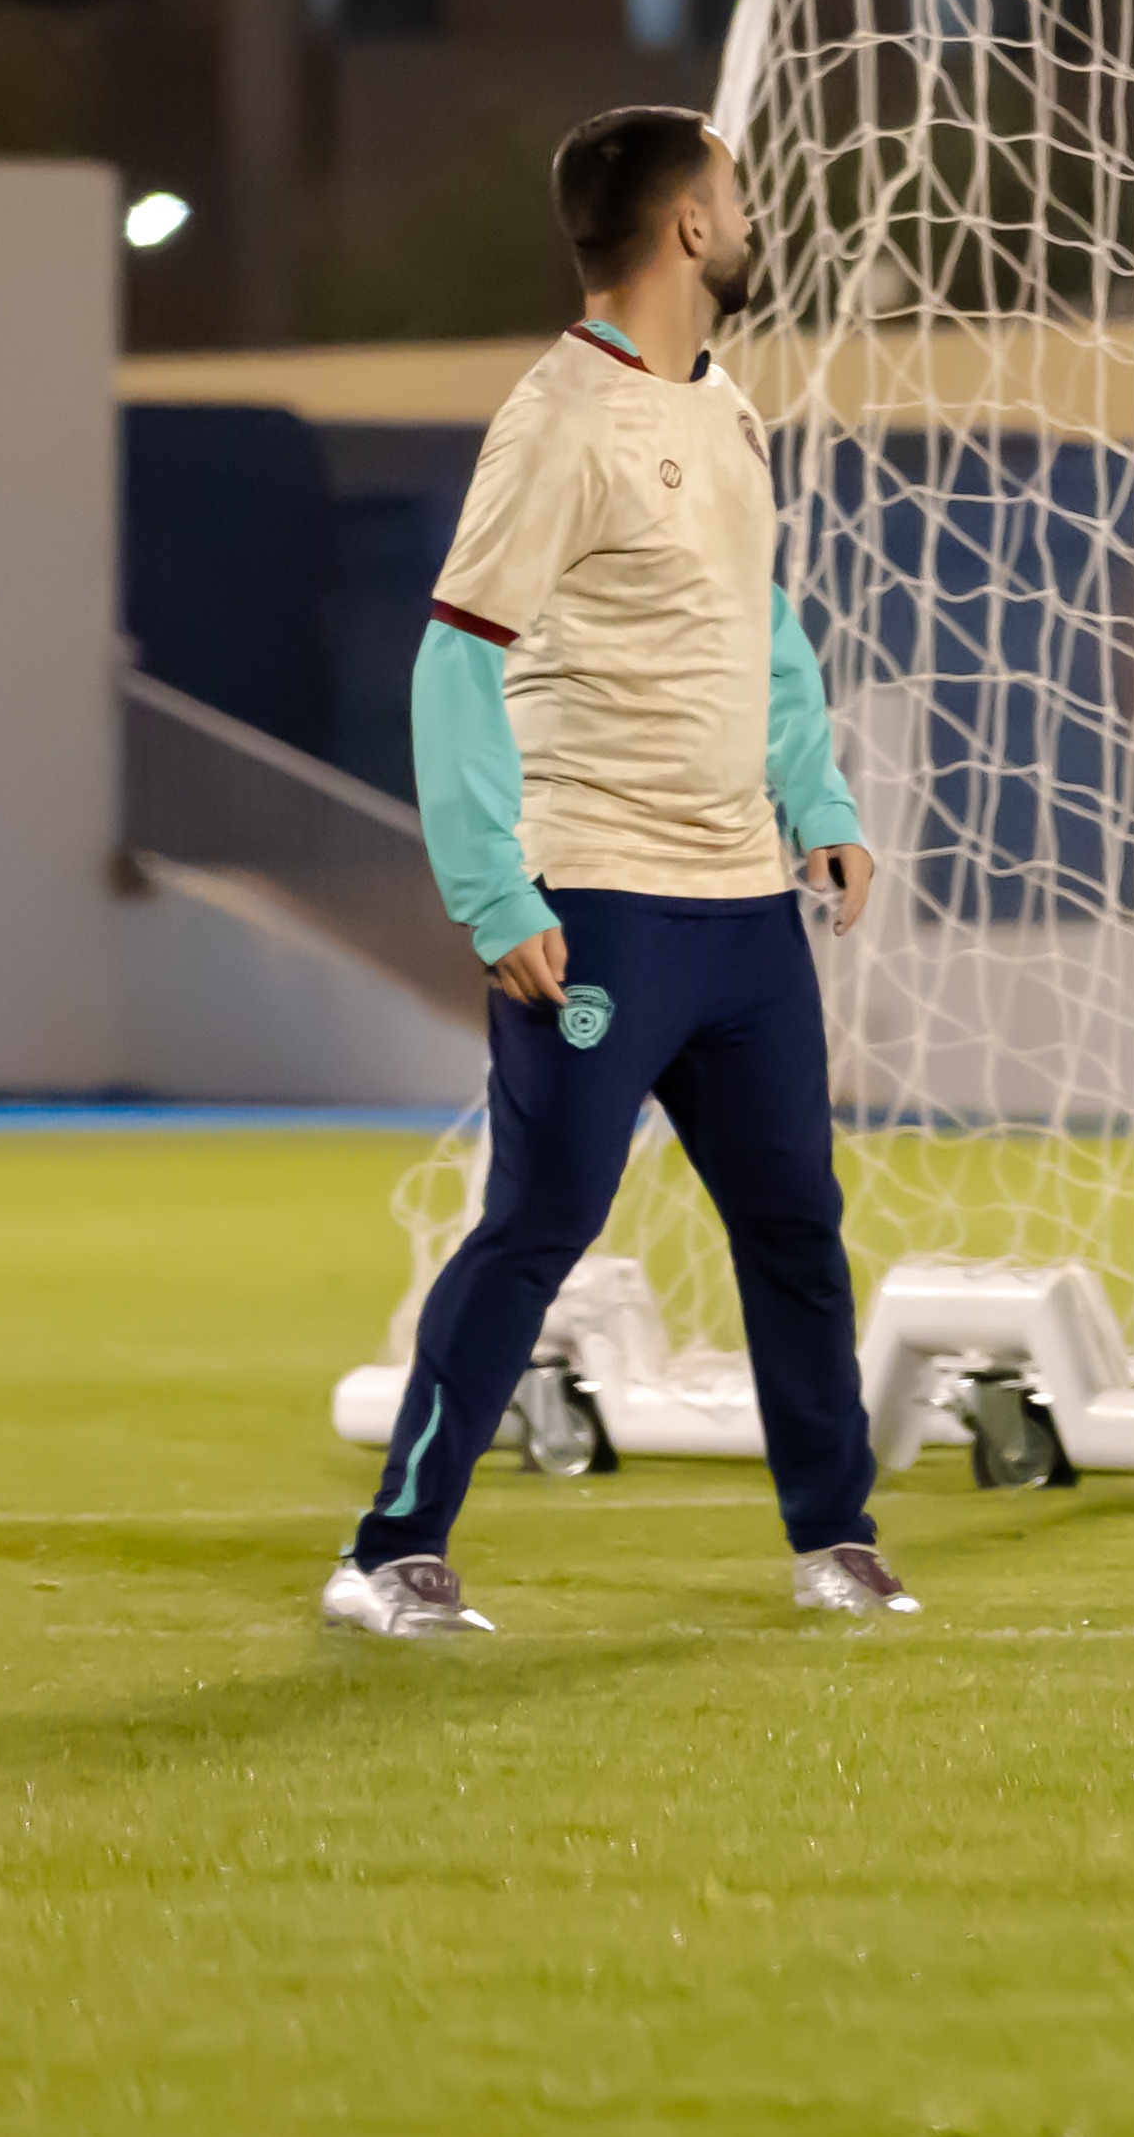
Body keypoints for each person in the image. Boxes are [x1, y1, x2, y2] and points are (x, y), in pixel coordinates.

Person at [328, 107, 905, 1637]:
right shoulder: (559, 422)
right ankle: (390, 1553)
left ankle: (835, 1541)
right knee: (542, 1217)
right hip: (598, 904)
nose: (754, 217)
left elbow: (756, 626)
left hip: (739, 911)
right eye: (738, 197)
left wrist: (816, 794)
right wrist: (494, 892)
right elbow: (457, 658)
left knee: (795, 1223)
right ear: (687, 232)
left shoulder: (725, 410)